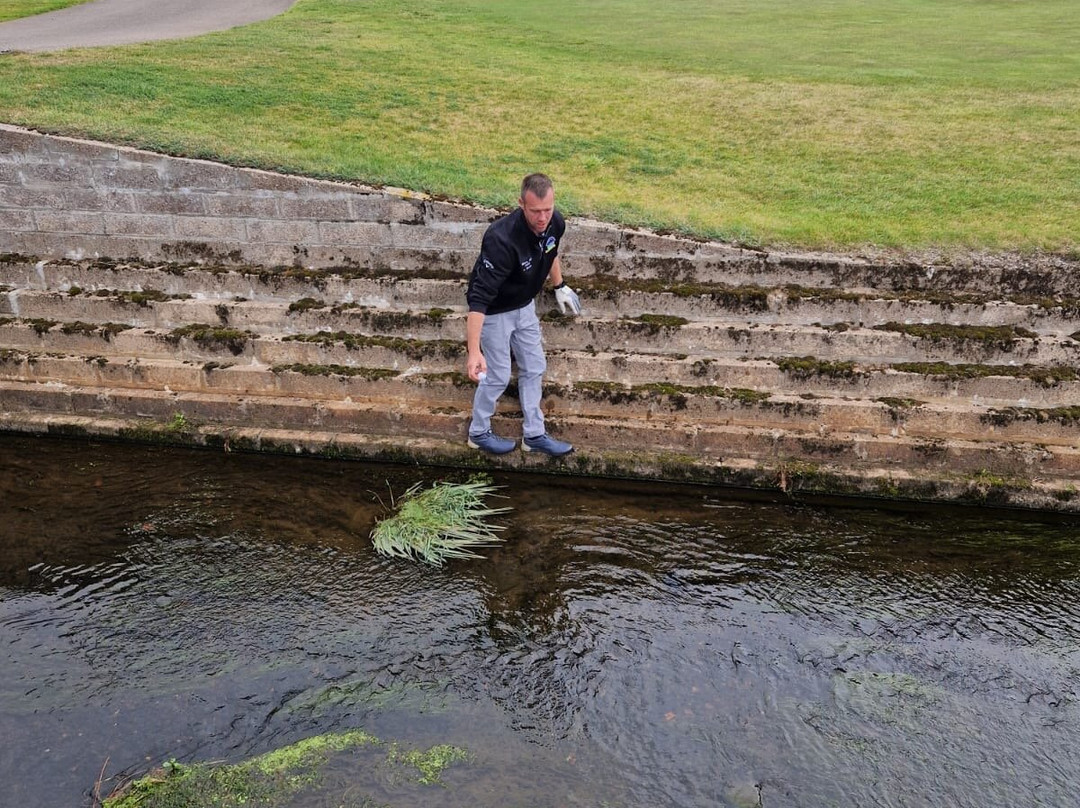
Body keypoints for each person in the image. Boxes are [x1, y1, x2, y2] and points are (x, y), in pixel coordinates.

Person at [464, 173, 581, 456]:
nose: (543, 218)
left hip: (525, 305)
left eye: (547, 210)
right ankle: (478, 432)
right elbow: (479, 299)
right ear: (521, 203)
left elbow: (550, 251)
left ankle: (534, 435)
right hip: (495, 311)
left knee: (535, 366)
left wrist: (559, 285)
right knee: (498, 375)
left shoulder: (555, 222)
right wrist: (474, 351)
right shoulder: (501, 239)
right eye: (535, 211)